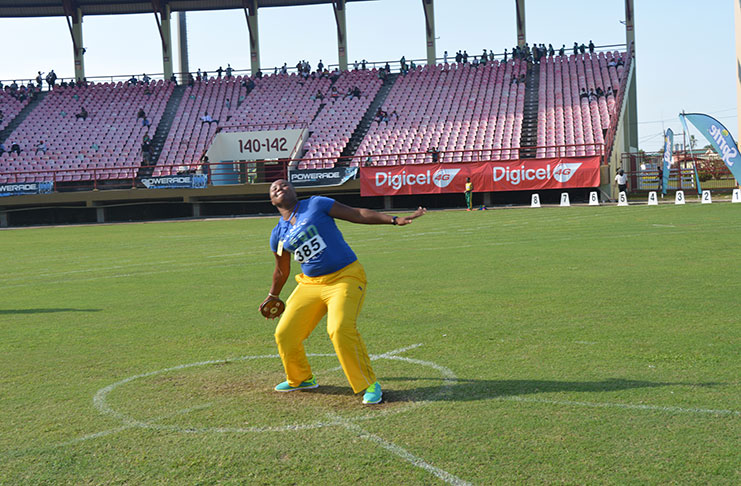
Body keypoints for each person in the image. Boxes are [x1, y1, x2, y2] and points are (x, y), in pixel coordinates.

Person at [260, 179, 427, 405]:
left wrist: (394, 220)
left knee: (339, 329)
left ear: (294, 190)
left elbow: (357, 213)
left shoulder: (316, 204)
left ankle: (368, 383)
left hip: (345, 277)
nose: (279, 188)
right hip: (310, 284)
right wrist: (273, 295)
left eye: (284, 185)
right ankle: (300, 379)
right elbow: (282, 270)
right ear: (271, 200)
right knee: (285, 333)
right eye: (274, 189)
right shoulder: (278, 233)